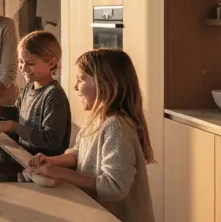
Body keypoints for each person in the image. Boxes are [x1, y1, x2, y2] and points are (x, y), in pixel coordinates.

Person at [27, 49, 155, 222]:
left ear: (105, 84)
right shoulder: (96, 120)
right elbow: (79, 153)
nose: (74, 87)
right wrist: (51, 161)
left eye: (80, 79)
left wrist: (60, 173)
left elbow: (114, 187)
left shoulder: (117, 127)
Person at [0, 30, 71, 156]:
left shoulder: (54, 96)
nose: (23, 68)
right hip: (26, 159)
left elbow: (51, 141)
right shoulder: (30, 87)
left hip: (46, 168)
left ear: (51, 63)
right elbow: (19, 114)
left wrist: (14, 127)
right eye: (21, 61)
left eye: (30, 63)